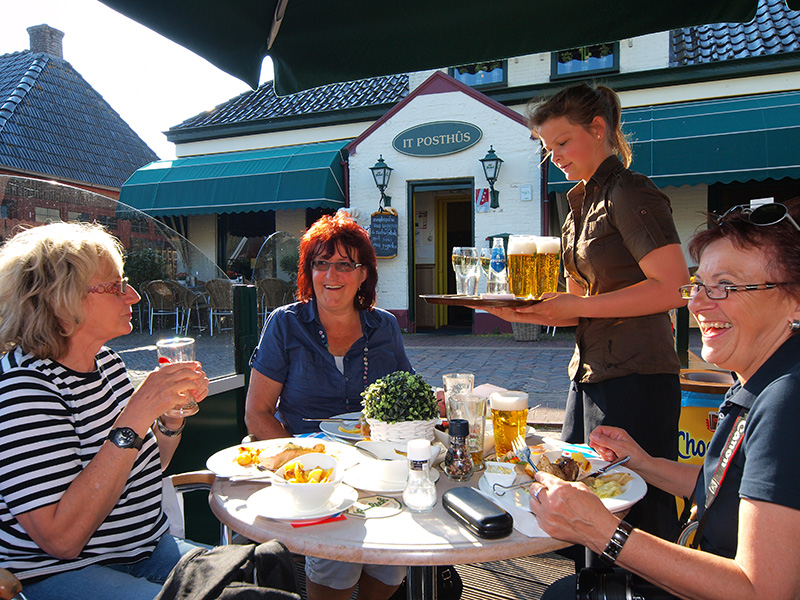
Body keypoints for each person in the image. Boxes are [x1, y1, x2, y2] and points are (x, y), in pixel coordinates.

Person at [535, 199, 800, 599]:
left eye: (725, 287)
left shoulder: (787, 399)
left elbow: (763, 590)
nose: (696, 305)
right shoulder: (766, 377)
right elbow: (725, 490)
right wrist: (644, 463)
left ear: (794, 298)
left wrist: (602, 531)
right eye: (698, 287)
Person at [487, 83, 689, 556]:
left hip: (637, 376)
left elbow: (674, 287)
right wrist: (531, 308)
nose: (553, 156)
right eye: (546, 147)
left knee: (634, 509)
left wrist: (574, 306)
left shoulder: (629, 190)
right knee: (582, 502)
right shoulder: (579, 203)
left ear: (598, 130)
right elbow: (582, 295)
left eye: (561, 142)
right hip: (591, 373)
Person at [0, 222, 210, 600]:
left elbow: (147, 465)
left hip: (144, 550)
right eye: (115, 286)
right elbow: (61, 539)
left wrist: (168, 418)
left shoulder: (107, 363)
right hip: (57, 572)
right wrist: (136, 414)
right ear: (61, 299)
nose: (132, 295)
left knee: (252, 580)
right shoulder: (23, 389)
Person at [245, 213, 412, 600]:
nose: (330, 275)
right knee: (338, 560)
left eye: (344, 264)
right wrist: (303, 463)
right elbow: (256, 413)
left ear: (363, 274)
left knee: (393, 559)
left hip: (377, 465)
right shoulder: (285, 324)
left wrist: (428, 400)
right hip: (315, 469)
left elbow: (406, 398)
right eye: (321, 263)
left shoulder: (384, 327)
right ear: (309, 271)